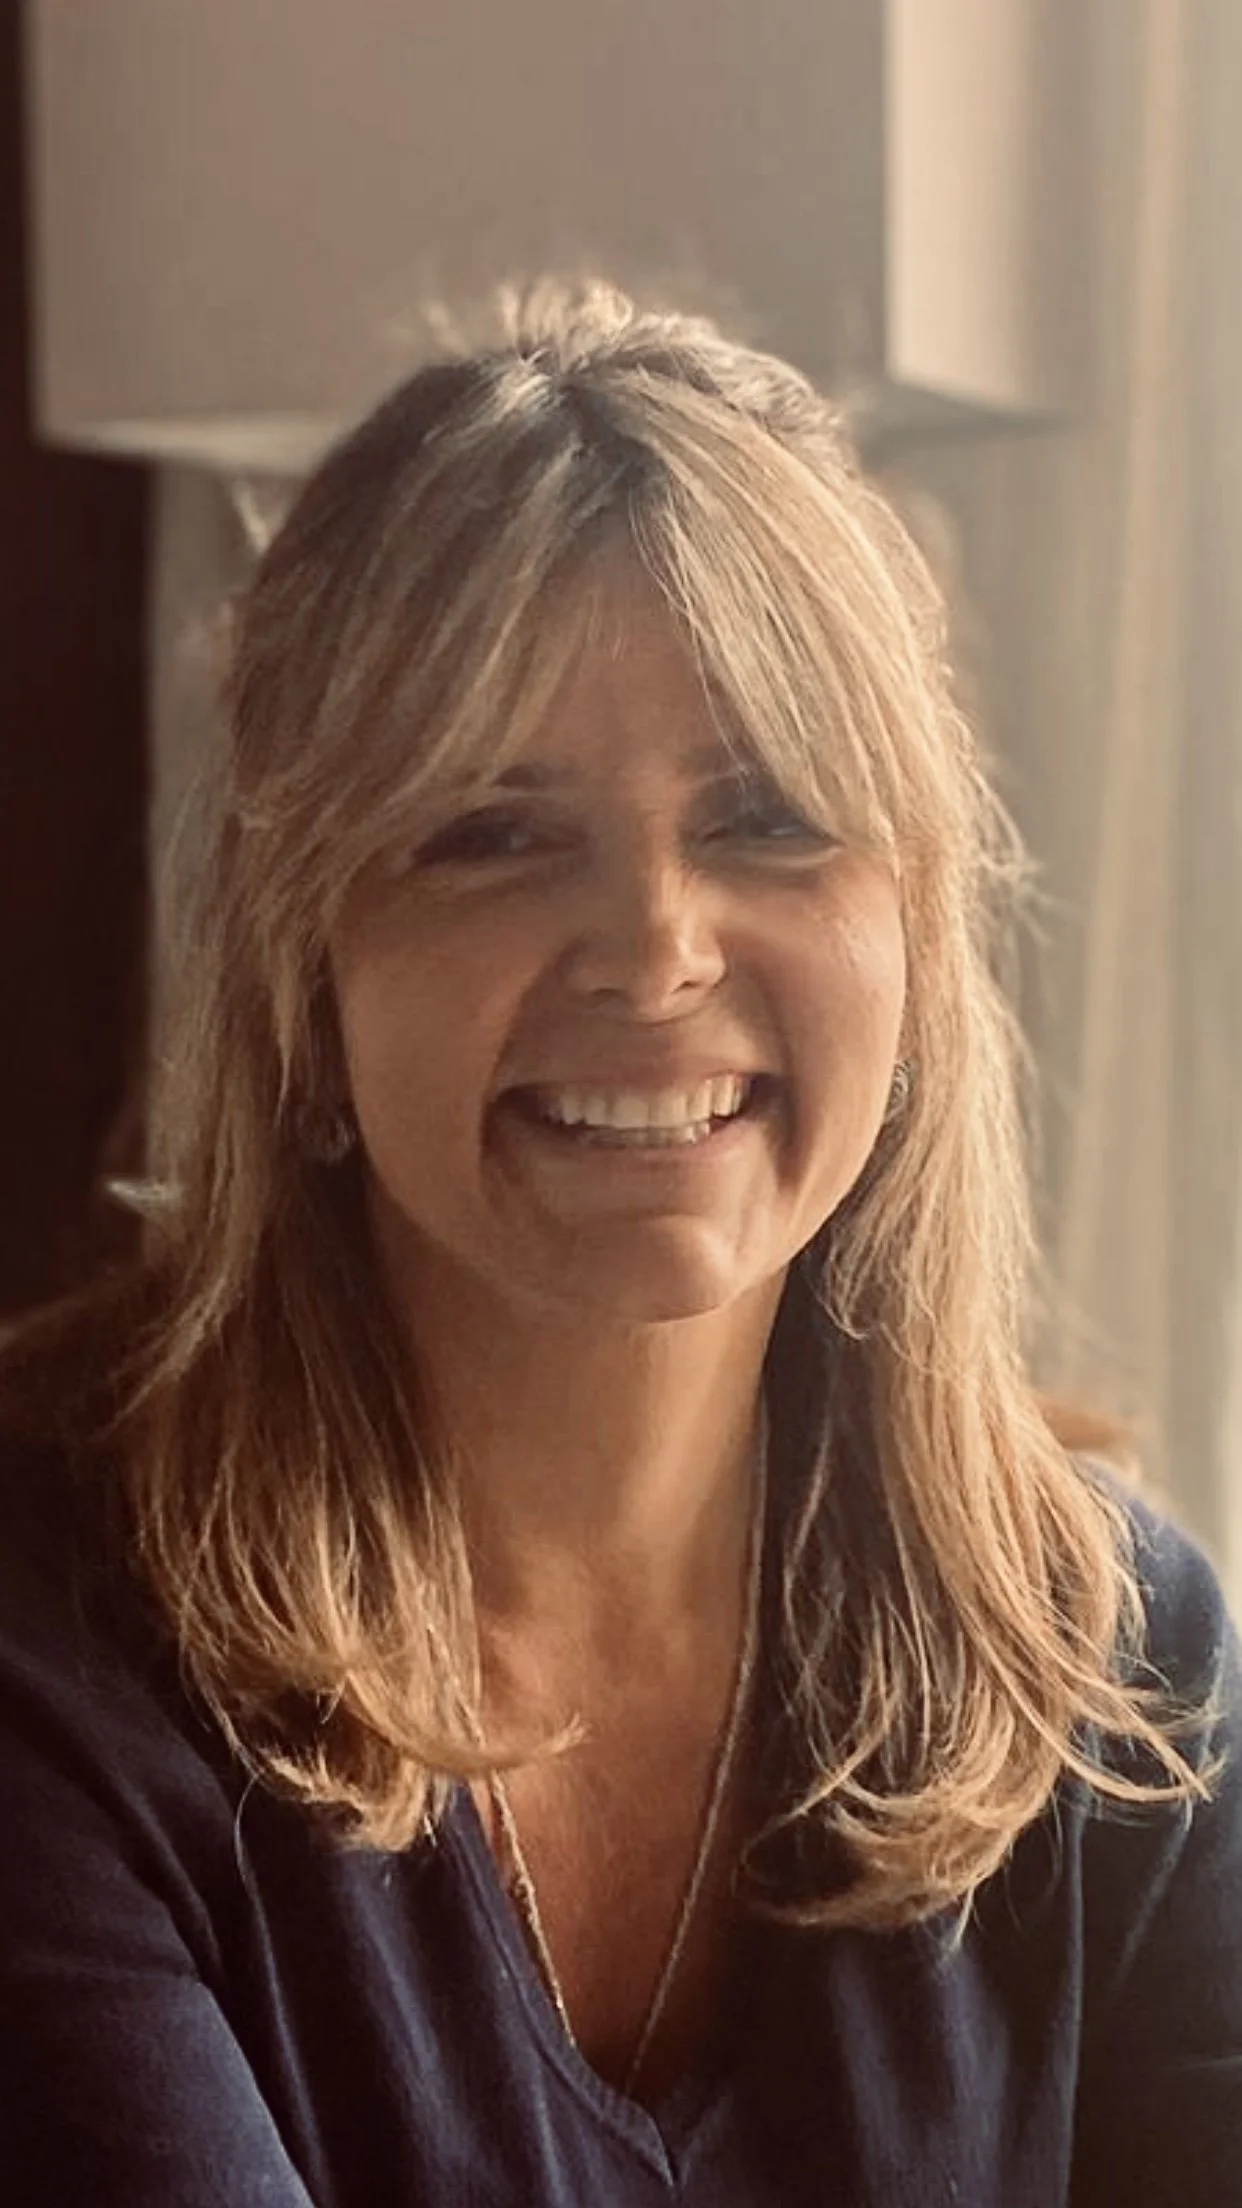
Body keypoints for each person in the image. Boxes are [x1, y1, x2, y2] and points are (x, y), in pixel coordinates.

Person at [0, 281, 1239, 2208]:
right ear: (302, 995)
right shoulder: (47, 1641)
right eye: (492, 835)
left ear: (914, 946)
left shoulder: (1123, 1671)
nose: (655, 946)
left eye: (764, 819)